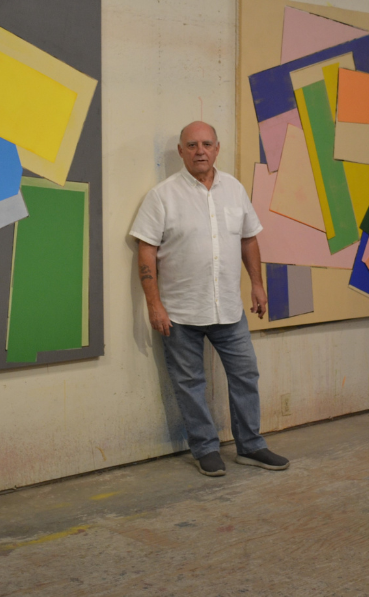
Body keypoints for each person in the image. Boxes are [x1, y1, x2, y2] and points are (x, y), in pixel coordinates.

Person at [130, 121, 290, 477]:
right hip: (181, 313)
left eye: (206, 144)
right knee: (190, 384)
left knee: (246, 375)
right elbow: (146, 252)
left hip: (229, 310)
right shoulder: (162, 196)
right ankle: (205, 449)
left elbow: (249, 239)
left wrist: (257, 284)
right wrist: (154, 304)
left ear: (218, 148)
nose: (200, 150)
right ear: (181, 152)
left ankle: (251, 446)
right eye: (192, 145)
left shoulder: (234, 189)